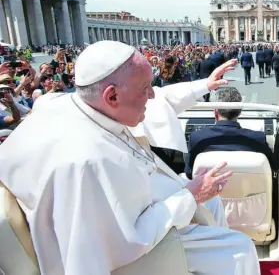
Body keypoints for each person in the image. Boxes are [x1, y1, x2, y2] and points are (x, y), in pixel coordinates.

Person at [0, 41, 260, 275]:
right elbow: (127, 240)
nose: (153, 94)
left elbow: (162, 99)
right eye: (146, 88)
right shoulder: (84, 163)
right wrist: (190, 196)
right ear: (111, 95)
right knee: (238, 248)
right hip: (128, 251)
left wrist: (204, 84)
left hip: (127, 207)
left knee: (211, 203)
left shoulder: (61, 103)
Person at [184, 86, 275, 179]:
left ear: (216, 112)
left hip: (209, 192)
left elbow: (189, 173)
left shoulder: (197, 138)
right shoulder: (258, 138)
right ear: (239, 111)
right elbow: (273, 168)